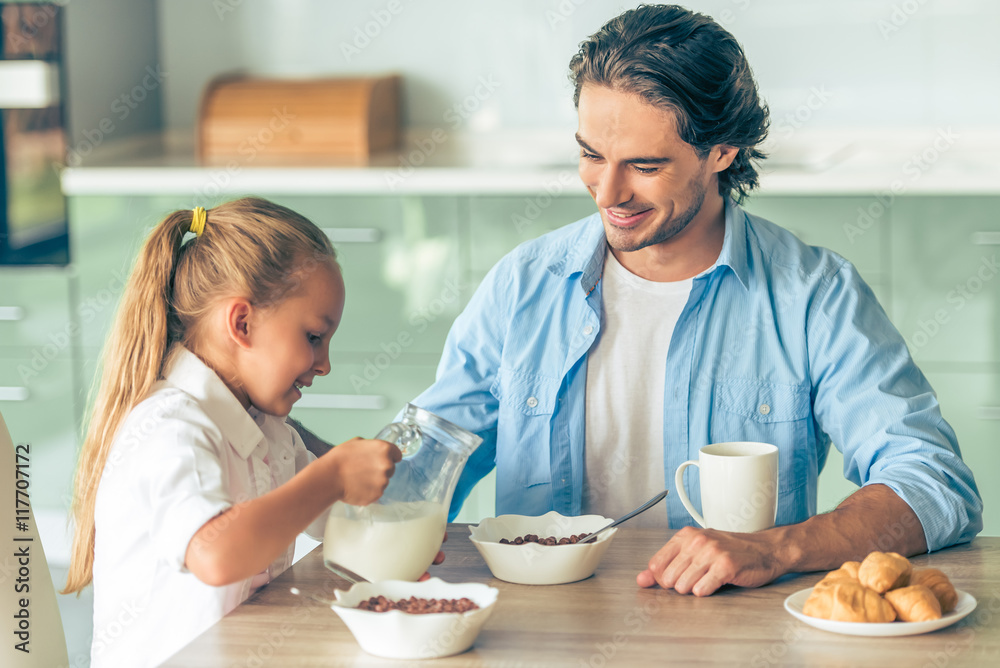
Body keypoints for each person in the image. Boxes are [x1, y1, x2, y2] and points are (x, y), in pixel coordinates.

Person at [409, 5, 982, 596]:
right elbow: (422, 466)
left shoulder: (814, 295)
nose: (607, 193)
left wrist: (777, 547)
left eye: (645, 165)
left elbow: (934, 484)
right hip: (543, 630)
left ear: (722, 151)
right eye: (591, 155)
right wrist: (325, 473)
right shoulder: (522, 286)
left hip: (734, 633)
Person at [62, 198, 413, 668]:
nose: (325, 364)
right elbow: (216, 553)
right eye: (313, 337)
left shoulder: (268, 431)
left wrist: (399, 547)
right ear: (242, 323)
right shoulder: (170, 429)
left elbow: (336, 522)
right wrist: (332, 473)